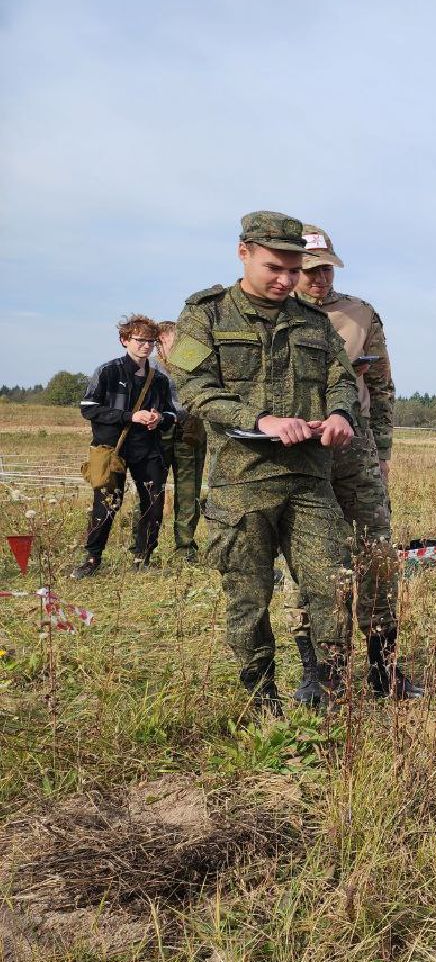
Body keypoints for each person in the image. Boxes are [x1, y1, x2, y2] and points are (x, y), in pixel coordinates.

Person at [165, 211, 358, 714]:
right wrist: (262, 418)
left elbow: (341, 378)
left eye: (294, 270)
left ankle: (335, 698)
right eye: (275, 267)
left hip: (310, 480)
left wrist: (339, 412)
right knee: (248, 600)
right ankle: (261, 701)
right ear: (243, 251)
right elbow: (196, 390)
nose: (286, 280)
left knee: (331, 590)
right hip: (242, 479)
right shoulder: (205, 314)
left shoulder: (311, 320)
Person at [290, 224, 421, 701]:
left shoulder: (360, 313)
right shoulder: (275, 315)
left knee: (376, 552)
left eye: (325, 269)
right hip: (299, 448)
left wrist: (381, 450)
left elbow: (382, 388)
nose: (318, 279)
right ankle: (321, 673)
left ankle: (385, 670)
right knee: (312, 560)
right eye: (309, 271)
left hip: (355, 446)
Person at [71, 314, 179, 578]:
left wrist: (158, 419)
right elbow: (88, 408)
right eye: (140, 340)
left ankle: (143, 557)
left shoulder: (160, 379)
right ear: (124, 340)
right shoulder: (108, 371)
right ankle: (92, 558)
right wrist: (130, 416)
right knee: (107, 503)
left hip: (148, 448)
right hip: (112, 449)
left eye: (151, 342)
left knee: (153, 503)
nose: (146, 346)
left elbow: (173, 414)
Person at [155, 321, 208, 563]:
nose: (175, 346)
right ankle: (143, 547)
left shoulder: (195, 363)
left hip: (190, 429)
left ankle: (185, 547)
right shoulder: (149, 367)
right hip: (157, 432)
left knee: (189, 490)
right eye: (169, 341)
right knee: (151, 489)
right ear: (159, 343)